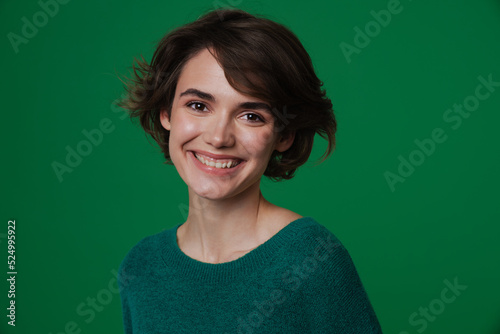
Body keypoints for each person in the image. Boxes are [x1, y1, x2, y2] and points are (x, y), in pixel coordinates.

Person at [116, 7, 383, 333]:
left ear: (283, 135)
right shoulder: (141, 267)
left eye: (251, 115)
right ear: (166, 112)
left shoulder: (311, 260)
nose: (218, 137)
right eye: (198, 106)